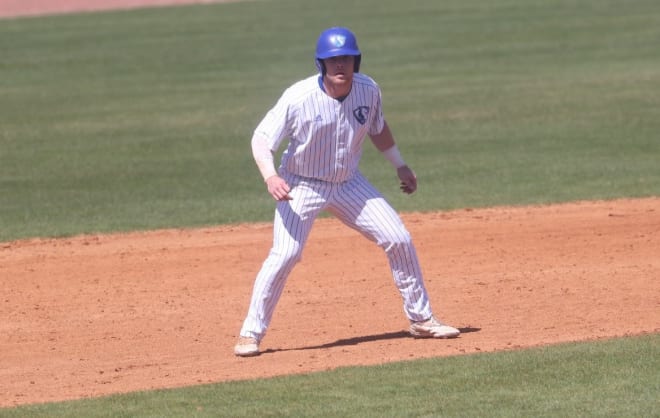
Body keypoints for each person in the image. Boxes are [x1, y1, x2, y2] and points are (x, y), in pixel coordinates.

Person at [234, 27, 459, 357]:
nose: (341, 66)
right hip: (300, 185)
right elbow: (261, 139)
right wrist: (270, 177)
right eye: (333, 60)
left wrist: (400, 165)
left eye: (347, 59)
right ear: (321, 64)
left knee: (399, 238)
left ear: (356, 61)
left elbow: (377, 128)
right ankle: (249, 334)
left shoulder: (368, 90)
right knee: (286, 255)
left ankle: (422, 319)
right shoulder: (298, 98)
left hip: (348, 183)